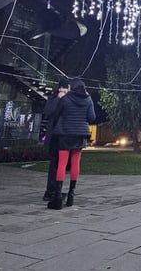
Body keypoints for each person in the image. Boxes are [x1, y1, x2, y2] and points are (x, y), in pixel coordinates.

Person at [47, 78, 96, 209]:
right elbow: (92, 118)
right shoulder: (88, 100)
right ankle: (71, 195)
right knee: (75, 163)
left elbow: (56, 114)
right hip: (80, 135)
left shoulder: (66, 99)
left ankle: (57, 197)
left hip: (64, 134)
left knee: (62, 164)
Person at [41, 78, 71, 201]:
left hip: (64, 136)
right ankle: (51, 191)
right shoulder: (54, 99)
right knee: (55, 165)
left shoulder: (69, 101)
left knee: (61, 165)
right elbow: (48, 112)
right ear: (60, 89)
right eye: (64, 88)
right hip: (55, 137)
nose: (65, 91)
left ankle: (55, 189)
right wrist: (58, 98)